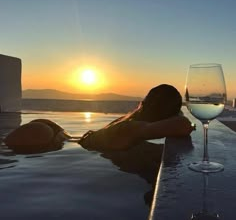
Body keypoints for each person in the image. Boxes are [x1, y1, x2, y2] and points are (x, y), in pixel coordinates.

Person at [3, 84, 195, 154]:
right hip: (51, 138)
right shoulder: (132, 129)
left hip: (62, 136)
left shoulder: (129, 123)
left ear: (143, 103)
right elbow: (183, 124)